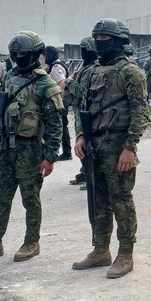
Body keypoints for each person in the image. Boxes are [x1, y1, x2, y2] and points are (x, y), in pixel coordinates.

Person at [0, 30, 63, 262]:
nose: (19, 57)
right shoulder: (9, 77)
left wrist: (50, 157)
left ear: (35, 54)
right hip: (4, 148)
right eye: (15, 53)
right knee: (0, 196)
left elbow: (55, 125)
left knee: (30, 199)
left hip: (29, 150)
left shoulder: (46, 85)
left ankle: (32, 242)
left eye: (23, 53)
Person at [73, 18, 149, 279]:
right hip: (94, 145)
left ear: (118, 41)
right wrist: (81, 135)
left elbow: (141, 111)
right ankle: (100, 249)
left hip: (118, 146)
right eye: (97, 38)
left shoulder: (131, 72)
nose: (99, 43)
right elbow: (82, 107)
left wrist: (130, 146)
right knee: (97, 199)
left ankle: (125, 254)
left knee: (121, 200)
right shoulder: (91, 72)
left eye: (104, 38)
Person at [65, 37, 98, 189]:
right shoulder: (84, 67)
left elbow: (82, 91)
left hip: (87, 111)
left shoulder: (93, 69)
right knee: (80, 142)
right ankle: (84, 171)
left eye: (85, 50)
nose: (83, 53)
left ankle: (91, 176)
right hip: (79, 110)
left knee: (88, 143)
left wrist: (69, 82)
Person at [45, 46, 72, 161]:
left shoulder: (56, 67)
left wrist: (58, 99)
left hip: (60, 101)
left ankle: (66, 153)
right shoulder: (55, 65)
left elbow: (62, 83)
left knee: (61, 126)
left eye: (46, 54)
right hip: (61, 100)